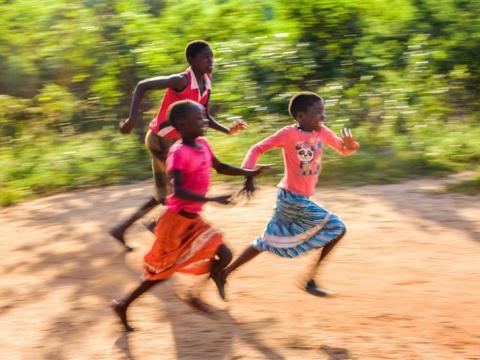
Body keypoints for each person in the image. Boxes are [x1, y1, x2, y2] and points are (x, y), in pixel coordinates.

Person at [112, 100, 268, 332]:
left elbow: (220, 166)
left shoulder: (202, 144)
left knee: (224, 254)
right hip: (175, 221)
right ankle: (123, 305)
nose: (205, 121)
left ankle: (194, 293)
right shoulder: (177, 152)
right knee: (161, 274)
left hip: (193, 219)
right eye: (199, 118)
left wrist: (250, 172)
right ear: (182, 124)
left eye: (204, 117)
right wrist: (213, 200)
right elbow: (179, 190)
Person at [110, 40, 247, 251]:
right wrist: (130, 121)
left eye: (212, 57)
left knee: (166, 195)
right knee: (176, 193)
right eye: (205, 57)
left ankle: (129, 228)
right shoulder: (181, 80)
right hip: (160, 139)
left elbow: (205, 116)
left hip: (173, 141)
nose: (211, 61)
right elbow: (142, 86)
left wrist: (227, 130)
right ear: (191, 60)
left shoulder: (206, 81)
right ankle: (157, 227)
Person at [222, 91, 360, 298]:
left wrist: (351, 146)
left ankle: (223, 273)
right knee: (337, 227)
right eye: (317, 112)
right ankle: (310, 280)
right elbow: (256, 149)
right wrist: (248, 174)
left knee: (264, 242)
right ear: (300, 116)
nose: (322, 117)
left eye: (323, 111)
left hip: (297, 198)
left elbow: (344, 149)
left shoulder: (322, 131)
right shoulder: (288, 134)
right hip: (291, 198)